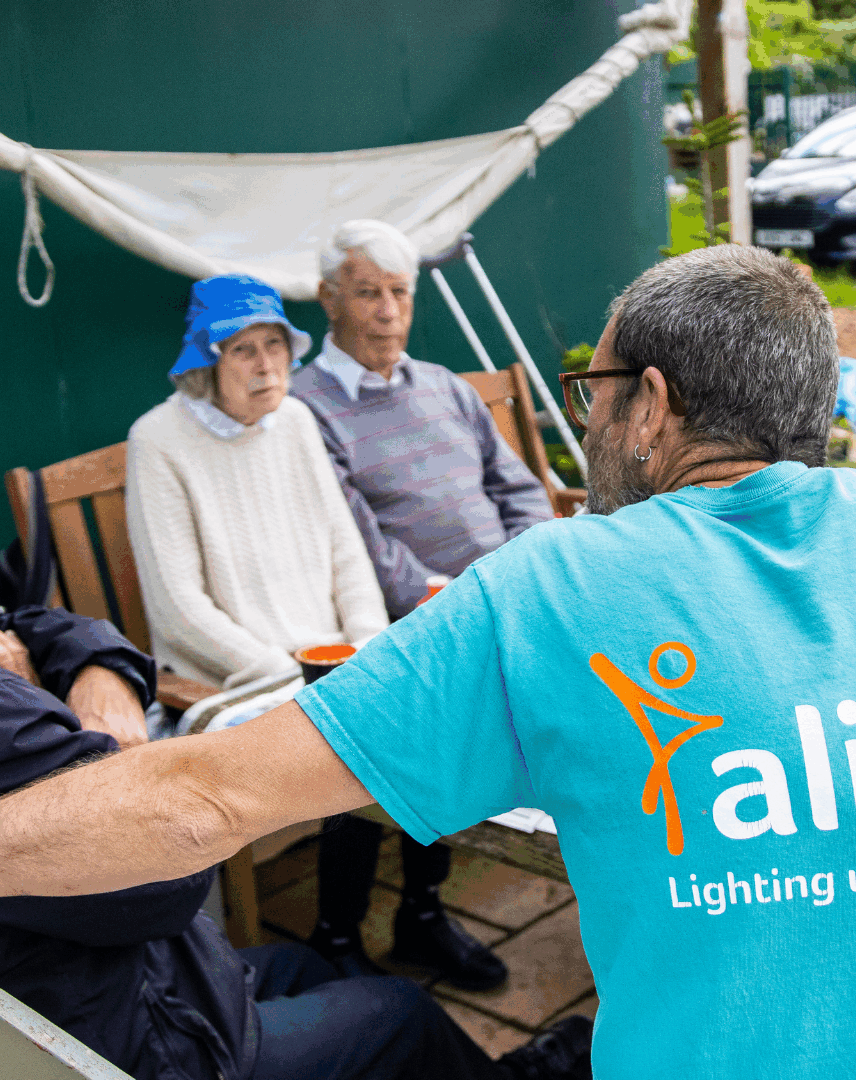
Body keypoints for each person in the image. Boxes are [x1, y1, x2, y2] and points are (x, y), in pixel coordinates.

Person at [0, 247, 856, 1079]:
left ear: (651, 406)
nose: (586, 413)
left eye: (594, 386)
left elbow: (202, 798)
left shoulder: (561, 588)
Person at [0, 290, 586, 1080]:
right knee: (400, 1013)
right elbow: (165, 881)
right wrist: (90, 731)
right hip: (110, 1039)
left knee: (309, 964)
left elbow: (24, 623)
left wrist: (97, 669)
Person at [289, 220, 553, 988]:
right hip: (383, 619)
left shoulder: (444, 386)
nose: (386, 310)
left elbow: (517, 489)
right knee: (398, 718)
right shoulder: (308, 409)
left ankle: (422, 913)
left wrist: (522, 572)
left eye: (398, 292)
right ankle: (335, 933)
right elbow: (356, 537)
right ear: (330, 300)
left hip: (489, 602)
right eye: (367, 293)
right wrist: (455, 602)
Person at [126, 274, 387, 715]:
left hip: (333, 669)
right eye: (243, 350)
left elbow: (346, 551)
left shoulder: (296, 419)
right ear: (207, 362)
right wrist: (286, 674)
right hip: (238, 683)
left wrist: (367, 644)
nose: (266, 365)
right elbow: (178, 610)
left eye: (274, 344)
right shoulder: (156, 440)